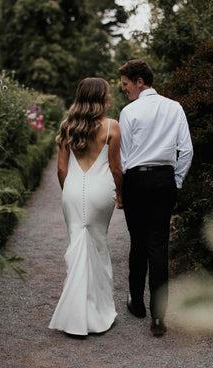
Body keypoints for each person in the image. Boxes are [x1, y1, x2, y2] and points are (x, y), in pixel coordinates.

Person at [118, 59, 193, 337]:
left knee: (138, 242)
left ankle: (136, 304)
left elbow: (124, 156)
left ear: (140, 81)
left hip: (136, 180)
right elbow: (185, 150)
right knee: (159, 246)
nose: (124, 89)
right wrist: (176, 181)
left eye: (126, 84)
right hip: (164, 180)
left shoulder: (128, 111)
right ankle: (159, 318)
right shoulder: (174, 107)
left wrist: (125, 186)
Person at [49, 77, 122, 336]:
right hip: (101, 192)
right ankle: (98, 313)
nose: (110, 99)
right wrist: (121, 196)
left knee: (76, 246)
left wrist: (68, 192)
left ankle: (76, 314)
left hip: (72, 190)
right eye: (107, 95)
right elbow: (115, 169)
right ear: (100, 98)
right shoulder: (112, 126)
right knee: (98, 247)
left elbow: (61, 169)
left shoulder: (68, 126)